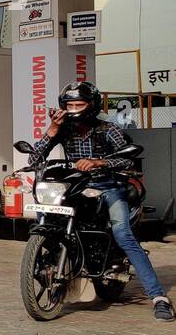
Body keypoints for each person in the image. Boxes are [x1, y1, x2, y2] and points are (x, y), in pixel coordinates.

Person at [27, 81, 173, 322]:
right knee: (49, 216)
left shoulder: (108, 129)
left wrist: (100, 162)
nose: (74, 109)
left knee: (124, 234)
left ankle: (159, 298)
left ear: (91, 105)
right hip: (75, 187)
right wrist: (52, 129)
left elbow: (128, 160)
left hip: (108, 187)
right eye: (69, 105)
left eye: (79, 104)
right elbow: (34, 158)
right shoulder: (63, 129)